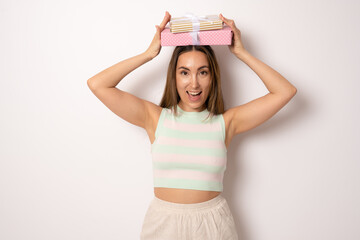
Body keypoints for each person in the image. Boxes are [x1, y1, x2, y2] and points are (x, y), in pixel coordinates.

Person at [87, 11, 296, 240]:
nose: (194, 83)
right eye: (184, 72)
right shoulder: (155, 118)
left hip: (213, 225)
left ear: (213, 76)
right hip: (163, 223)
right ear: (174, 77)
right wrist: (149, 54)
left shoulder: (226, 123)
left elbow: (285, 91)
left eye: (203, 72)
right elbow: (98, 85)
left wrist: (241, 53)